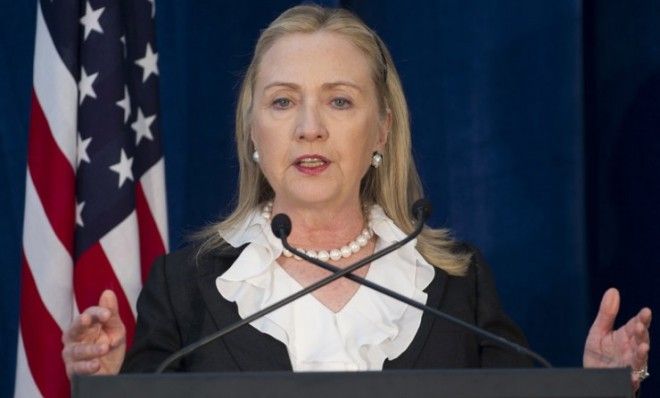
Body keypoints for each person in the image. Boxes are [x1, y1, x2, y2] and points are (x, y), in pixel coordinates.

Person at [62, 3, 652, 390]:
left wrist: (597, 385)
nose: (309, 127)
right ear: (253, 131)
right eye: (283, 101)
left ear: (382, 129)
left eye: (339, 101)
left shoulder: (455, 284)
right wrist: (110, 381)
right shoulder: (185, 286)